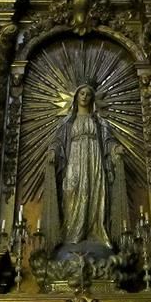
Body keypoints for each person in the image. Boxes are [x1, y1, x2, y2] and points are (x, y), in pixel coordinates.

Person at [49, 84, 121, 249]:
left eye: (88, 94)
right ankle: (71, 233)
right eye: (81, 93)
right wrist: (53, 150)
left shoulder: (99, 122)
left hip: (94, 159)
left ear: (92, 99)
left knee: (94, 191)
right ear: (76, 97)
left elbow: (108, 141)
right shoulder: (68, 122)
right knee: (71, 190)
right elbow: (58, 141)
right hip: (74, 159)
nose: (84, 97)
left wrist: (115, 148)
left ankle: (95, 231)